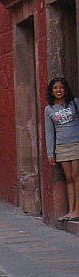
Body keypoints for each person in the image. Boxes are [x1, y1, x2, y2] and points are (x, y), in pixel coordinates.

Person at [45, 77, 79, 221]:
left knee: (76, 177)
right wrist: (50, 153)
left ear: (65, 90)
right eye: (55, 88)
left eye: (61, 87)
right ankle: (70, 210)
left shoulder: (74, 104)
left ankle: (77, 210)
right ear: (52, 91)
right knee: (68, 178)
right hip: (61, 146)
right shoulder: (49, 109)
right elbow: (49, 131)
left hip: (76, 143)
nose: (58, 90)